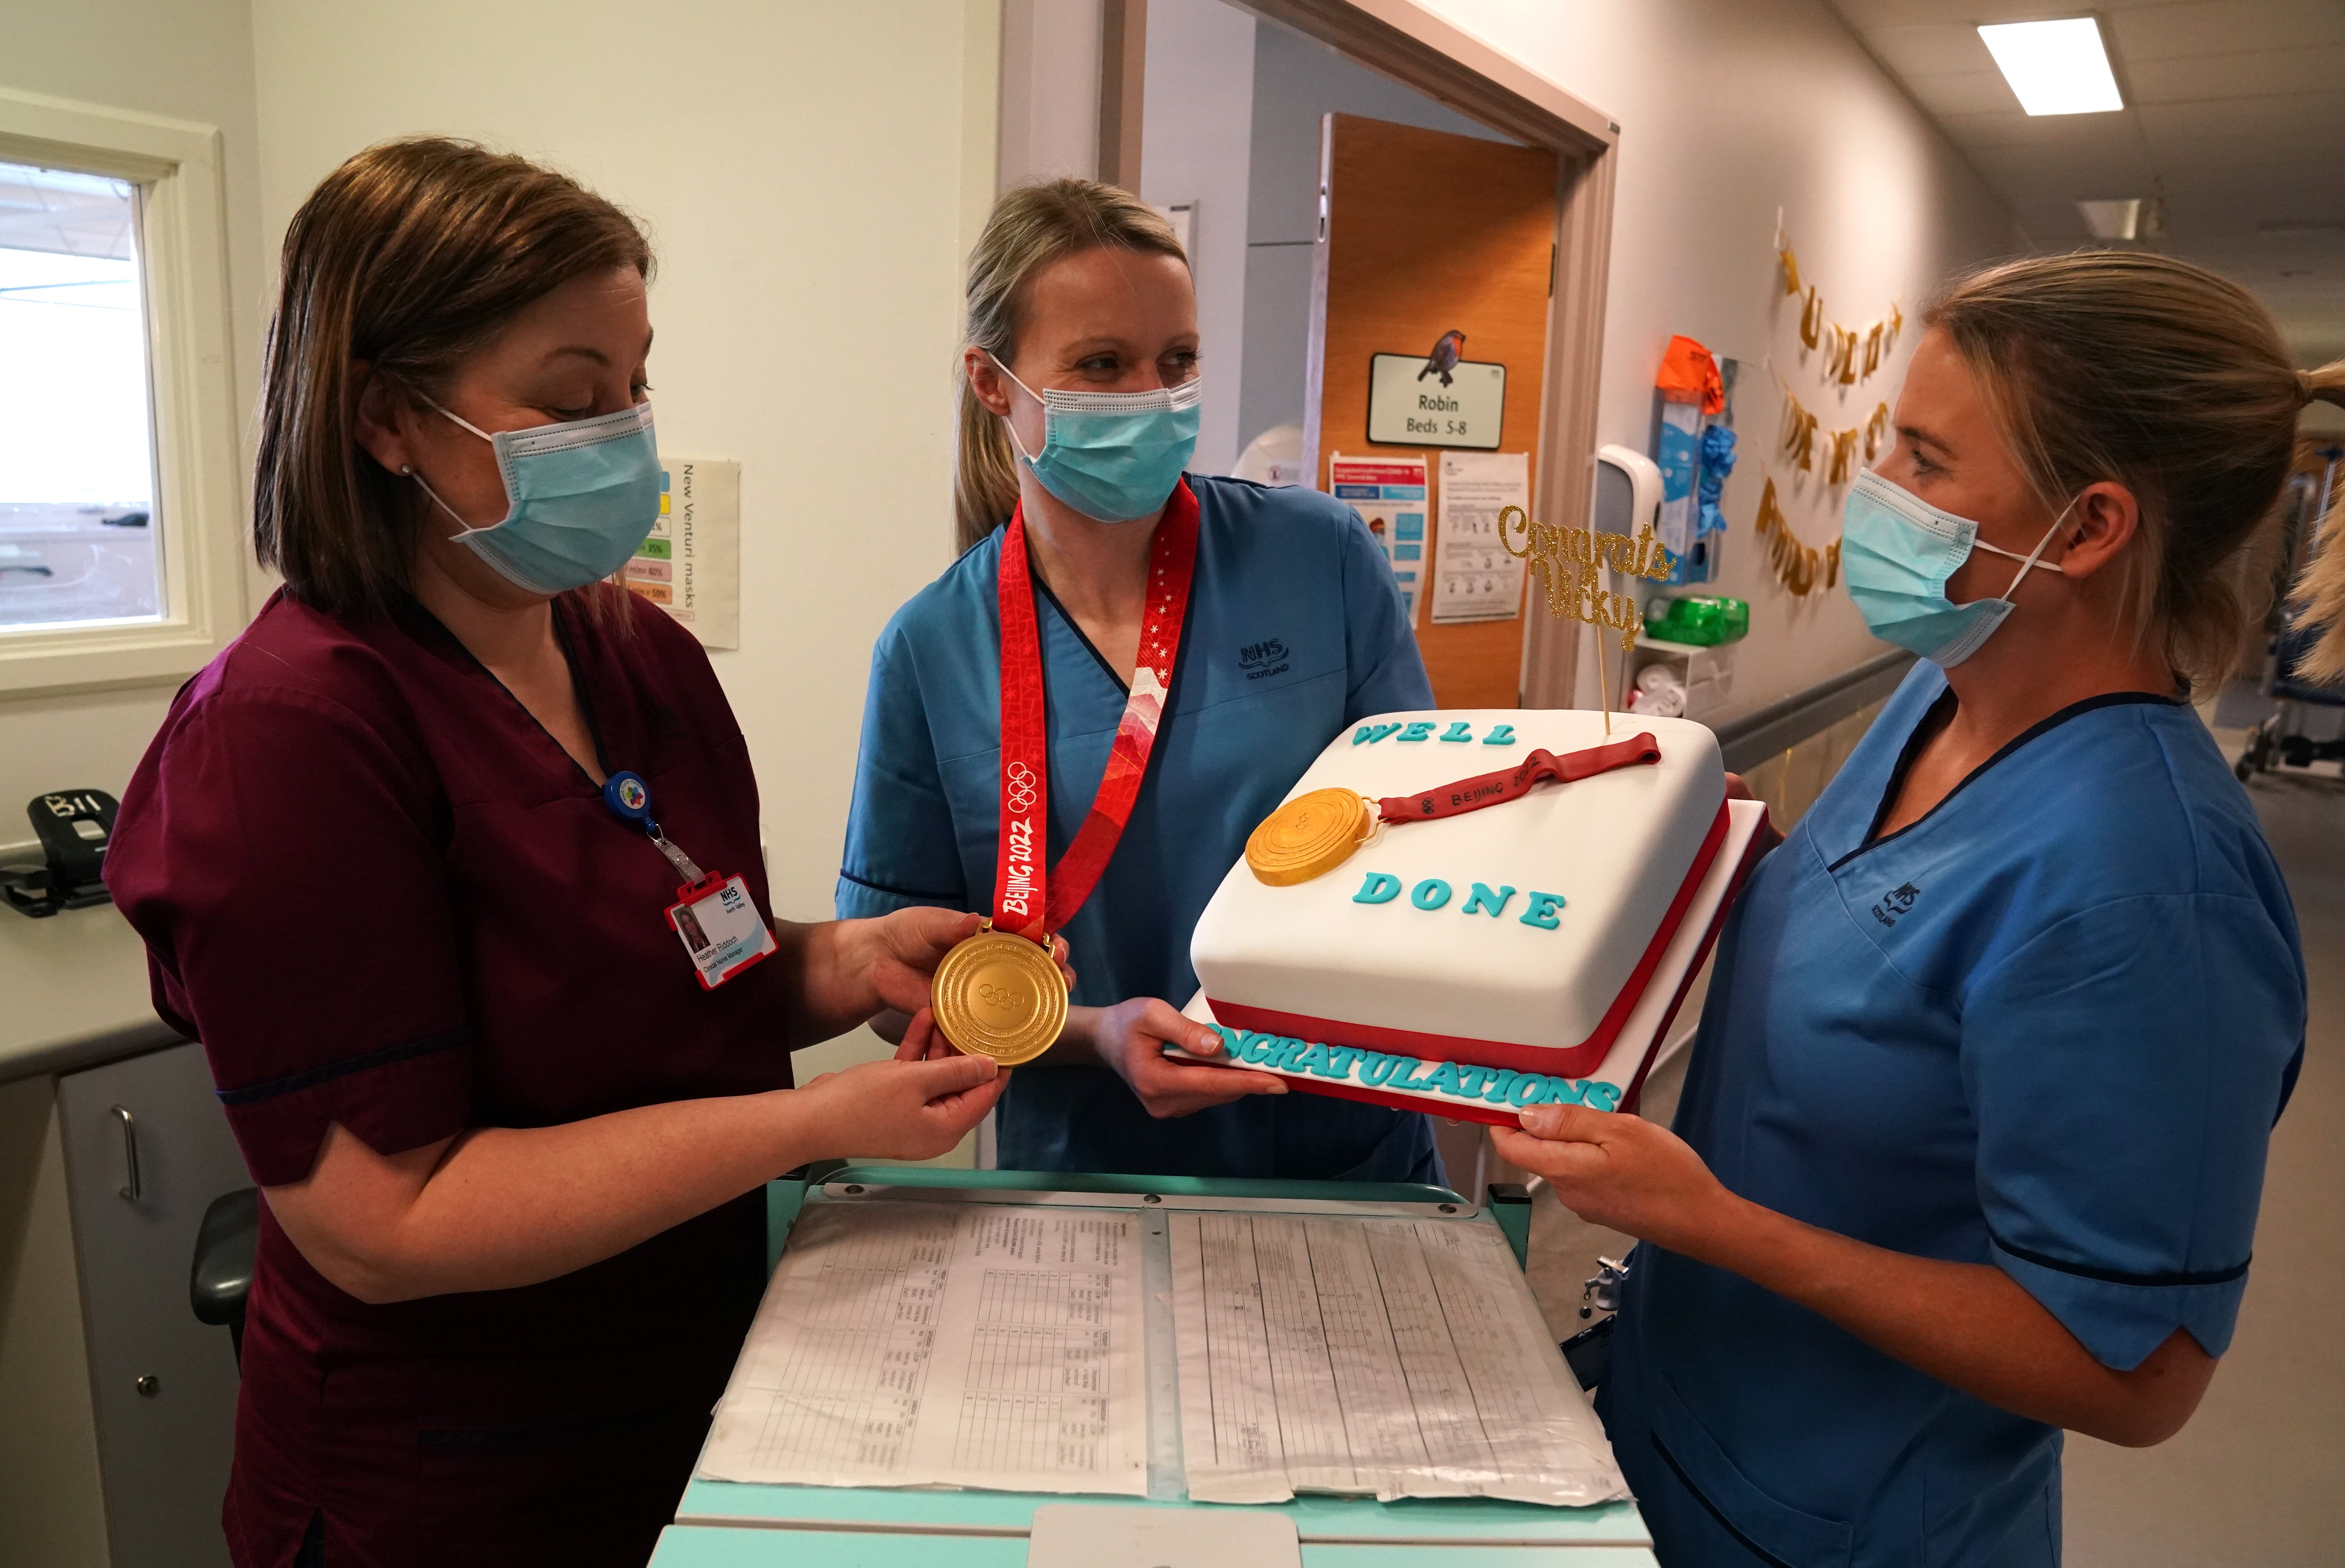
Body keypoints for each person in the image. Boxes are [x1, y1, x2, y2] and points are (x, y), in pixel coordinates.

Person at [105, 140, 1028, 1568]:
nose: (625, 434)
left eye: (636, 386)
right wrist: (814, 1125)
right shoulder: (290, 734)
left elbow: (663, 973)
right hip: (456, 1475)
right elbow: (382, 1217)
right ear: (387, 420)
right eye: (572, 397)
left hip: (696, 1380)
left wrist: (840, 963)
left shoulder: (630, 649)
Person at [1495, 252, 2328, 1566]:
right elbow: (1864, 925)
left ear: (2089, 527)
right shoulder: (1943, 694)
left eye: (1924, 461)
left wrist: (1710, 1221)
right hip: (1684, 1427)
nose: (1875, 491)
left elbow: (2133, 1372)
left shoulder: (2142, 891)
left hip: (1852, 1520)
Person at [836, 179, 1440, 1180]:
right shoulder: (931, 649)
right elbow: (892, 977)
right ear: (994, 384)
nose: (1150, 400)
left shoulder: (1319, 558)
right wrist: (1094, 1031)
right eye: (1102, 365)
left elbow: (1425, 834)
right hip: (1089, 1166)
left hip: (1340, 1137)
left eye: (1178, 362)